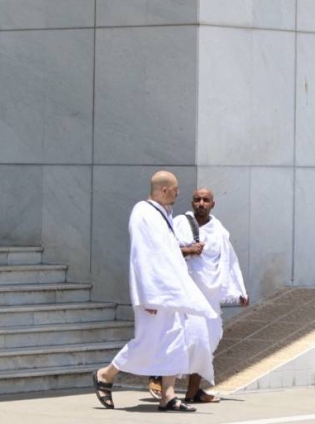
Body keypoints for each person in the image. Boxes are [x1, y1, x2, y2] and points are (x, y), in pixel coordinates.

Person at [93, 171, 217, 412]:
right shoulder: (143, 213)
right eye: (175, 188)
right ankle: (105, 375)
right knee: (147, 341)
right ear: (164, 190)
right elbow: (144, 257)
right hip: (153, 293)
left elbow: (166, 253)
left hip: (168, 292)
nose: (178, 192)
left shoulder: (163, 214)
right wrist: (148, 294)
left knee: (174, 340)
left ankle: (168, 395)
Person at [167, 187, 249, 404]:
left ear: (213, 204)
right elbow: (163, 251)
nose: (201, 203)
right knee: (185, 340)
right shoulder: (179, 224)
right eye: (197, 199)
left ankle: (193, 392)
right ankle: (166, 390)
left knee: (206, 342)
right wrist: (189, 250)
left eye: (206, 200)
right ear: (192, 202)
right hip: (184, 295)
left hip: (208, 297)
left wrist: (240, 289)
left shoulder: (219, 231)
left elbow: (229, 261)